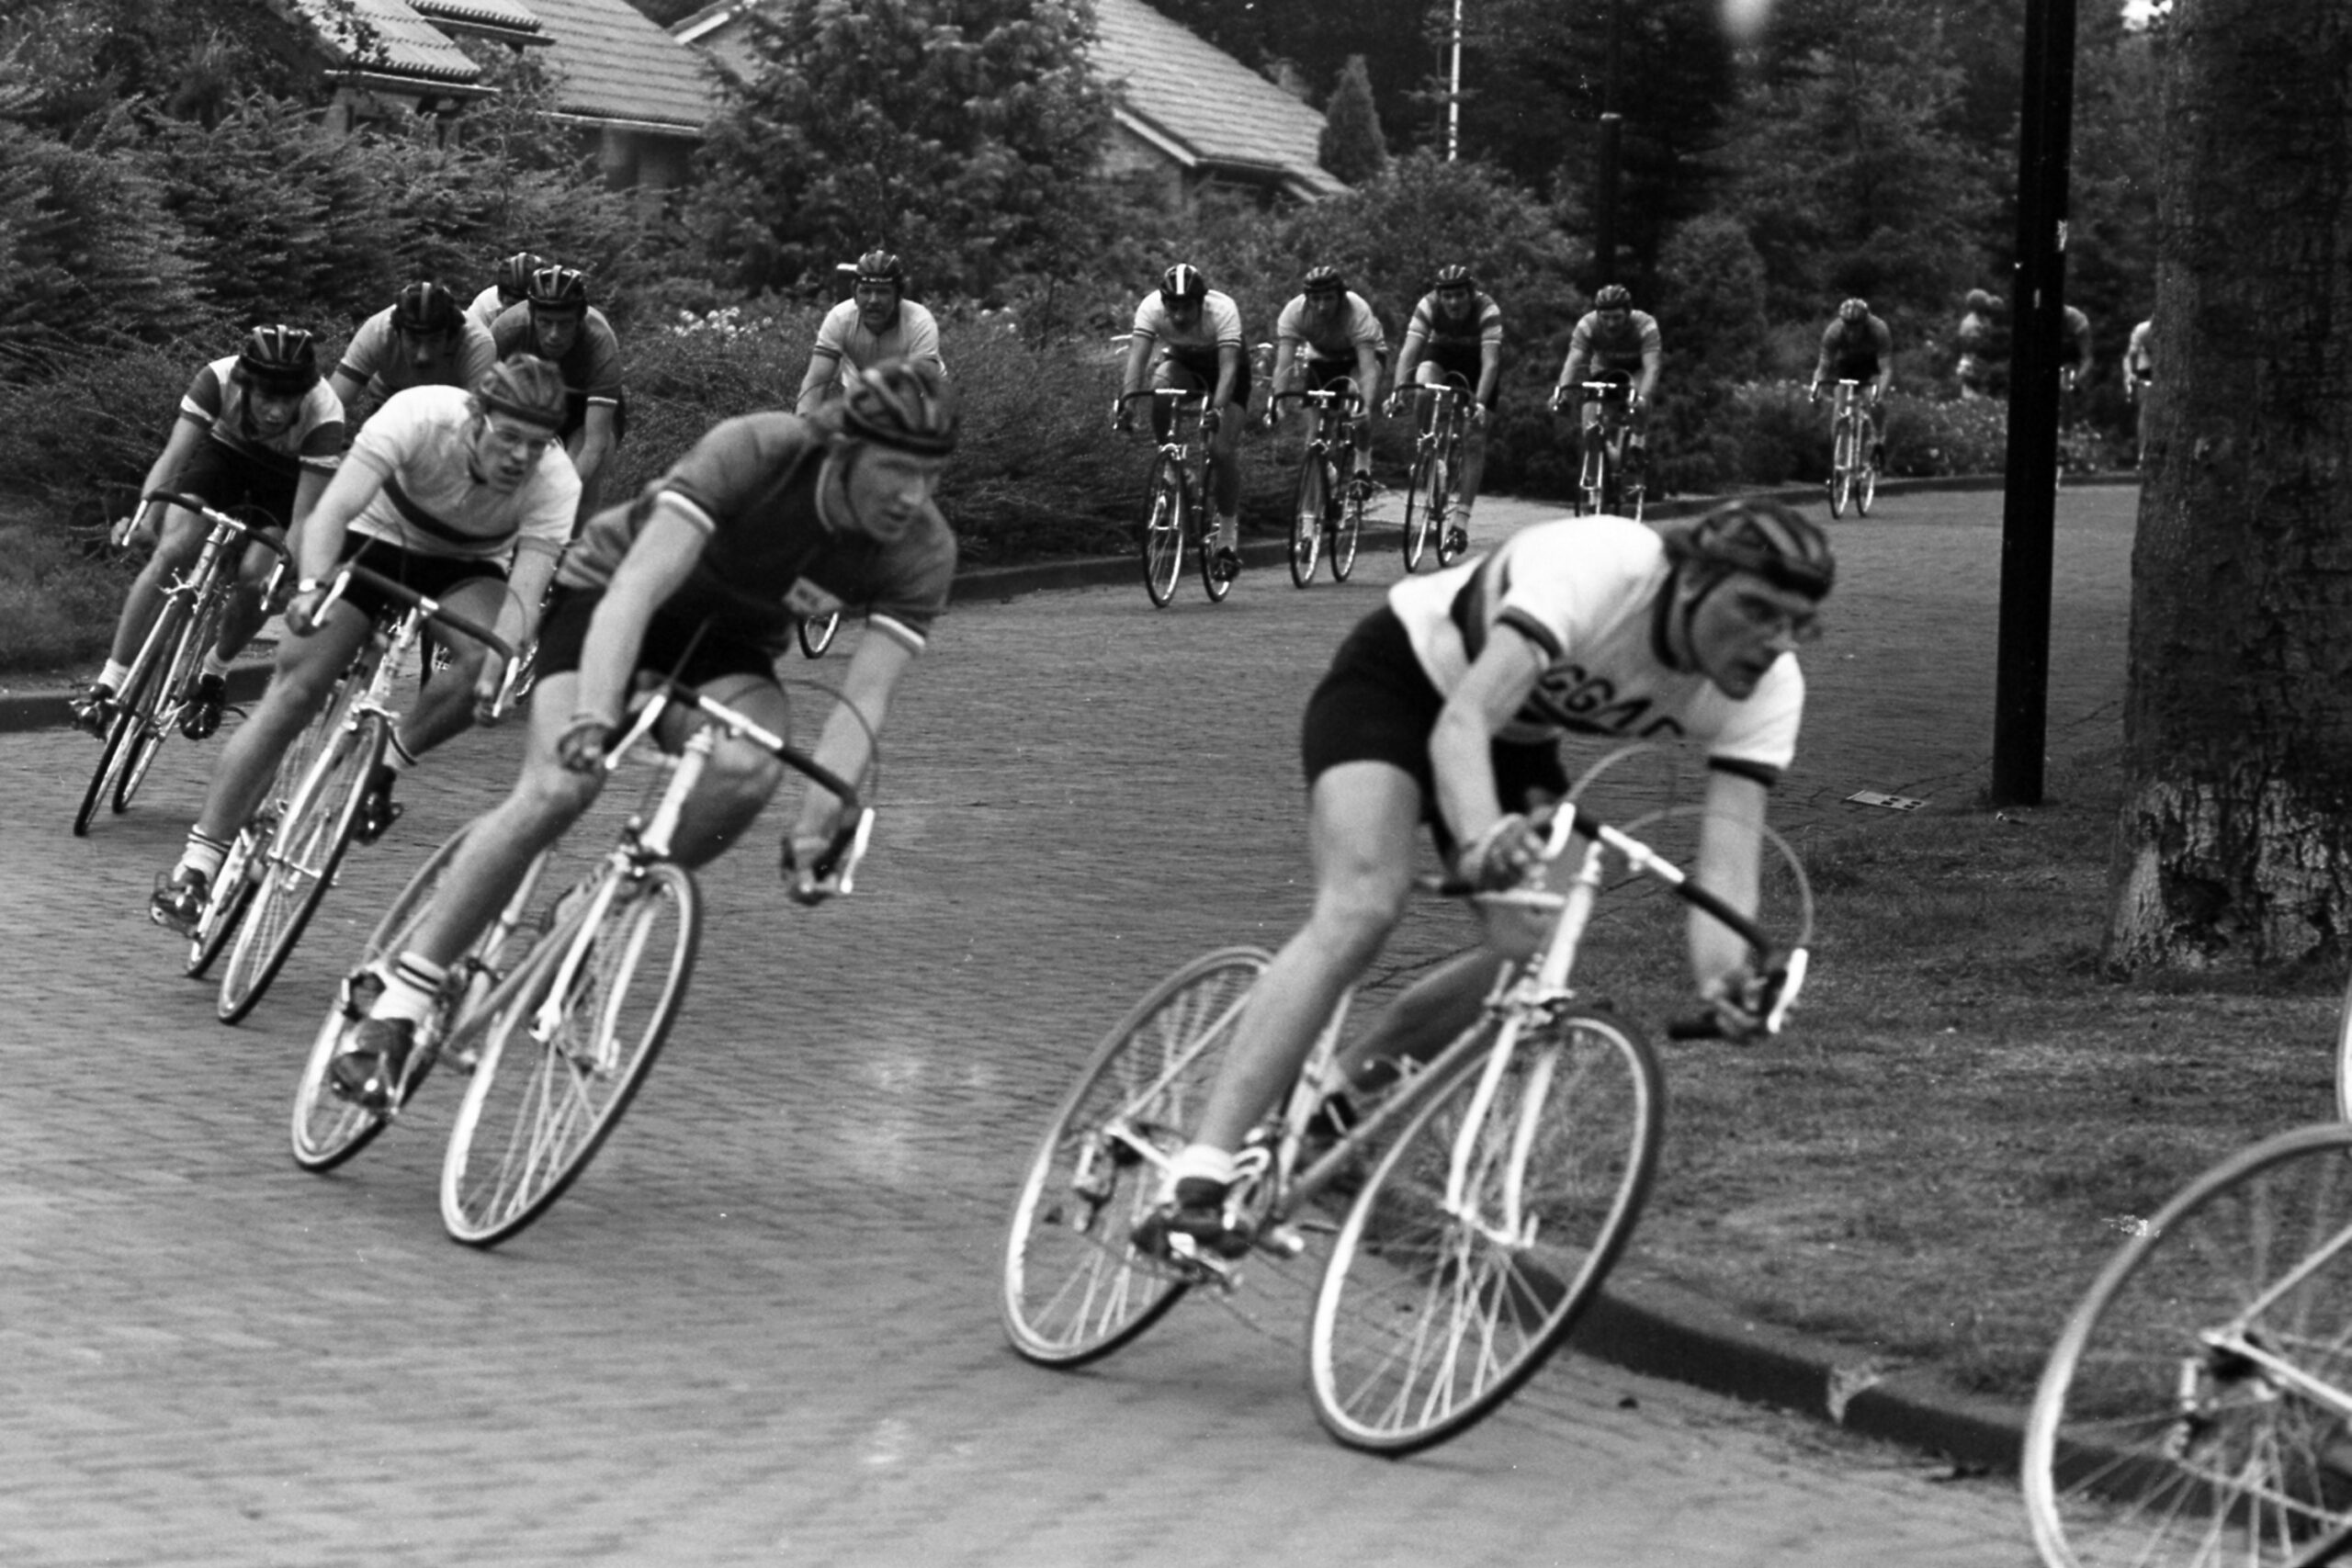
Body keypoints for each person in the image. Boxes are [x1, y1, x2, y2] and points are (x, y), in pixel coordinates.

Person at [1132, 499, 1837, 1261]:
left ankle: (1333, 1105)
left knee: (1533, 942)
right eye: (1757, 609)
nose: (1774, 641)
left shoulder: (1769, 692)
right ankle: (1194, 1180)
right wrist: (1480, 838)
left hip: (1516, 741)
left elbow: (1728, 861)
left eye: (1797, 622)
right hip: (1405, 682)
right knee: (1366, 902)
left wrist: (1722, 979)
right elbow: (1462, 720)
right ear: (1691, 579)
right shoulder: (1600, 567)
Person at [322, 359, 959, 1110]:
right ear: (845, 449)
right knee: (560, 785)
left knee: (750, 768)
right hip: (614, 596)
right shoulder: (761, 451)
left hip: (731, 650)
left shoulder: (922, 549)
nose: (913, 496)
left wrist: (823, 824)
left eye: (931, 476)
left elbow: (864, 700)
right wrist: (595, 713)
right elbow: (638, 589)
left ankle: (597, 907)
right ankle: (402, 1001)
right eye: (895, 471)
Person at [149, 360, 579, 934]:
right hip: (374, 538)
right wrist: (312, 589)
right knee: (298, 689)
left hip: (466, 565)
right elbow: (333, 511)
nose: (521, 457)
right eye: (508, 437)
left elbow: (521, 602)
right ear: (477, 418)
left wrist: (501, 665)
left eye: (536, 442)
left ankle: (384, 765)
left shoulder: (557, 483)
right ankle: (197, 866)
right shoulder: (420, 414)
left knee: (485, 659)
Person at [71, 326, 345, 743]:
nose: (275, 411)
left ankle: (213, 674)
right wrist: (148, 515)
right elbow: (174, 457)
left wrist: (286, 574)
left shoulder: (325, 414)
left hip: (285, 480)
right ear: (245, 383)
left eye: (287, 400)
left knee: (257, 579)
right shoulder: (216, 379)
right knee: (171, 551)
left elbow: (304, 514)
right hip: (225, 456)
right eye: (267, 396)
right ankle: (108, 685)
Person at [1114, 264, 1249, 582]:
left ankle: (1227, 540)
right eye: (1172, 307)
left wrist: (1217, 409)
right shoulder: (1150, 308)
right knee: (1161, 384)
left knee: (1220, 451)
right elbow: (1138, 360)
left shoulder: (1223, 310)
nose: (1177, 316)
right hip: (1184, 365)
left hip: (1228, 373)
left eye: (1186, 307)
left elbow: (1229, 370)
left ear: (1201, 302)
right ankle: (1173, 462)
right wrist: (1127, 402)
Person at [491, 264, 626, 525]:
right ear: (531, 316)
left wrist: (561, 494)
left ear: (579, 319)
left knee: (578, 484)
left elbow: (595, 444)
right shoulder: (507, 330)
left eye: (564, 324)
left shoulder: (600, 342)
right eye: (545, 323)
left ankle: (575, 549)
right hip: (531, 402)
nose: (554, 335)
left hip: (583, 412)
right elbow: (484, 410)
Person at [1388, 265, 1501, 555]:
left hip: (1477, 364)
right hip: (1441, 355)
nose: (1453, 302)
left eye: (1459, 295)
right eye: (1447, 296)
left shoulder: (1486, 309)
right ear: (1439, 295)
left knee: (1474, 438)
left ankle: (1460, 522)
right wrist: (1397, 390)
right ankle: (1427, 448)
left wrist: (1478, 402)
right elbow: (1409, 352)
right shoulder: (1427, 305)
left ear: (1470, 293)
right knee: (1422, 385)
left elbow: (1490, 363)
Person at [1265, 265, 1385, 498]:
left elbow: (1369, 369)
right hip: (1324, 358)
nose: (1321, 306)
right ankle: (1310, 519)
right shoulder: (1294, 312)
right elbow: (1284, 365)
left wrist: (1366, 406)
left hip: (1360, 357)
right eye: (1315, 299)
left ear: (1340, 296)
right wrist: (1277, 404)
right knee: (1312, 436)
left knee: (1356, 398)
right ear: (1306, 298)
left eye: (1328, 298)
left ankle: (1362, 464)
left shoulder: (1356, 310)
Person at [794, 249, 945, 415]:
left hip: (921, 392)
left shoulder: (919, 322)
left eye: (882, 292)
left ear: (898, 295)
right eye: (866, 291)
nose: (873, 300)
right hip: (863, 389)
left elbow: (923, 386)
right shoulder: (840, 318)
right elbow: (816, 384)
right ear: (855, 293)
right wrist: (804, 428)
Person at [327, 280, 499, 422]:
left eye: (434, 341)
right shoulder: (378, 331)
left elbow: (477, 421)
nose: (422, 355)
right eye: (413, 341)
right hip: (390, 402)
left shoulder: (477, 343)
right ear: (397, 333)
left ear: (452, 336)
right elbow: (331, 405)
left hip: (451, 411)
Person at [1552, 283, 1663, 488]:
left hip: (1636, 369)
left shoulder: (1645, 325)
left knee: (1637, 399)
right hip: (1604, 368)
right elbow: (1573, 361)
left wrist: (1642, 399)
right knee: (1591, 424)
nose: (1611, 324)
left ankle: (1637, 441)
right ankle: (1593, 483)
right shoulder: (1587, 324)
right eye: (1605, 317)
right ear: (1598, 314)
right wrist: (1561, 392)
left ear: (1628, 314)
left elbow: (1652, 368)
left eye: (1617, 317)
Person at [1808, 297, 1894, 468]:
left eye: (1857, 327)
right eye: (1849, 327)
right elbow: (1823, 366)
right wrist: (1815, 388)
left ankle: (1878, 437)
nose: (1853, 332)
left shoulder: (1878, 329)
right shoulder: (1833, 331)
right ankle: (1837, 460)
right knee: (1838, 408)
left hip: (1871, 367)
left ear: (1865, 322)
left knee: (1873, 400)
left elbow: (1886, 368)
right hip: (1846, 365)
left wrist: (1879, 395)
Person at [468, 251, 544, 333]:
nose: (518, 311)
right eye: (512, 304)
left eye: (524, 305)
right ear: (500, 298)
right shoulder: (485, 306)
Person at [1955, 288, 2007, 399]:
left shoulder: (1982, 320)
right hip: (1972, 366)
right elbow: (1971, 347)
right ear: (1979, 305)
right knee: (1973, 398)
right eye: (1984, 302)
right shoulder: (1971, 323)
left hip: (1977, 366)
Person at [2124, 317, 2154, 466]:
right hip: (2147, 368)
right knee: (2146, 408)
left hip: (2169, 367)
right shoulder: (2142, 330)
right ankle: (2142, 452)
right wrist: (2130, 374)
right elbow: (2130, 357)